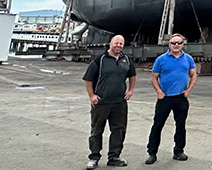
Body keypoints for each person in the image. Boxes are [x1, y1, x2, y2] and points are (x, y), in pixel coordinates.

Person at [82, 34, 137, 168]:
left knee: (118, 130)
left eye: (121, 44)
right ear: (110, 43)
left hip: (119, 102)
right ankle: (94, 157)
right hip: (101, 102)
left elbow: (132, 75)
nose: (118, 46)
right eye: (116, 43)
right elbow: (88, 79)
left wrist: (130, 90)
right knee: (96, 130)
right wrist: (92, 96)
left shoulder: (126, 59)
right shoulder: (100, 60)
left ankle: (114, 156)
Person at [145, 33, 197, 164]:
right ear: (169, 44)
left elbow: (193, 75)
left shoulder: (188, 59)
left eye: (179, 43)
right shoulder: (161, 59)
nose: (176, 45)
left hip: (181, 98)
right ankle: (152, 152)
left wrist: (188, 90)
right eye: (173, 43)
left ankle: (178, 151)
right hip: (165, 98)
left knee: (181, 125)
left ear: (183, 44)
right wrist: (158, 91)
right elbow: (154, 77)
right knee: (157, 125)